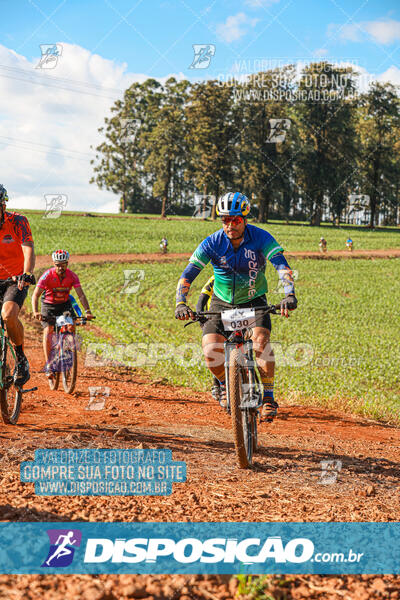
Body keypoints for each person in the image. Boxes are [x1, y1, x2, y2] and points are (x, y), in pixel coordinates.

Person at [175, 191, 297, 422]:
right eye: (225, 220)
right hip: (221, 304)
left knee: (261, 342)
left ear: (245, 218)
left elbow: (282, 266)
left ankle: (269, 397)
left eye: (235, 220)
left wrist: (289, 294)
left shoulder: (261, 237)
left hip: (254, 301)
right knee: (211, 351)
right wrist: (181, 302)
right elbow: (187, 275)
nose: (230, 225)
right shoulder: (212, 242)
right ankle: (223, 384)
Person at [31, 250, 94, 378]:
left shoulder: (72, 276)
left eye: (63, 264)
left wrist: (87, 311)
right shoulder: (47, 275)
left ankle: (66, 349)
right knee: (48, 330)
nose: (60, 267)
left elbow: (80, 295)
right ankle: (49, 365)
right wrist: (35, 311)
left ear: (67, 263)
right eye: (57, 264)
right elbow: (35, 295)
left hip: (64, 305)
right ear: (54, 264)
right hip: (48, 305)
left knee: (71, 326)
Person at [0, 185, 35, 386]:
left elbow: (28, 248)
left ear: (3, 205)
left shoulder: (18, 221)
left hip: (15, 279)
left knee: (8, 315)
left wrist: (27, 273)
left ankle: (21, 359)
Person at [195, 275, 221, 403]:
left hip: (238, 317)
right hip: (216, 317)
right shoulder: (214, 279)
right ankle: (217, 383)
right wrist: (200, 316)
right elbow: (202, 299)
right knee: (215, 351)